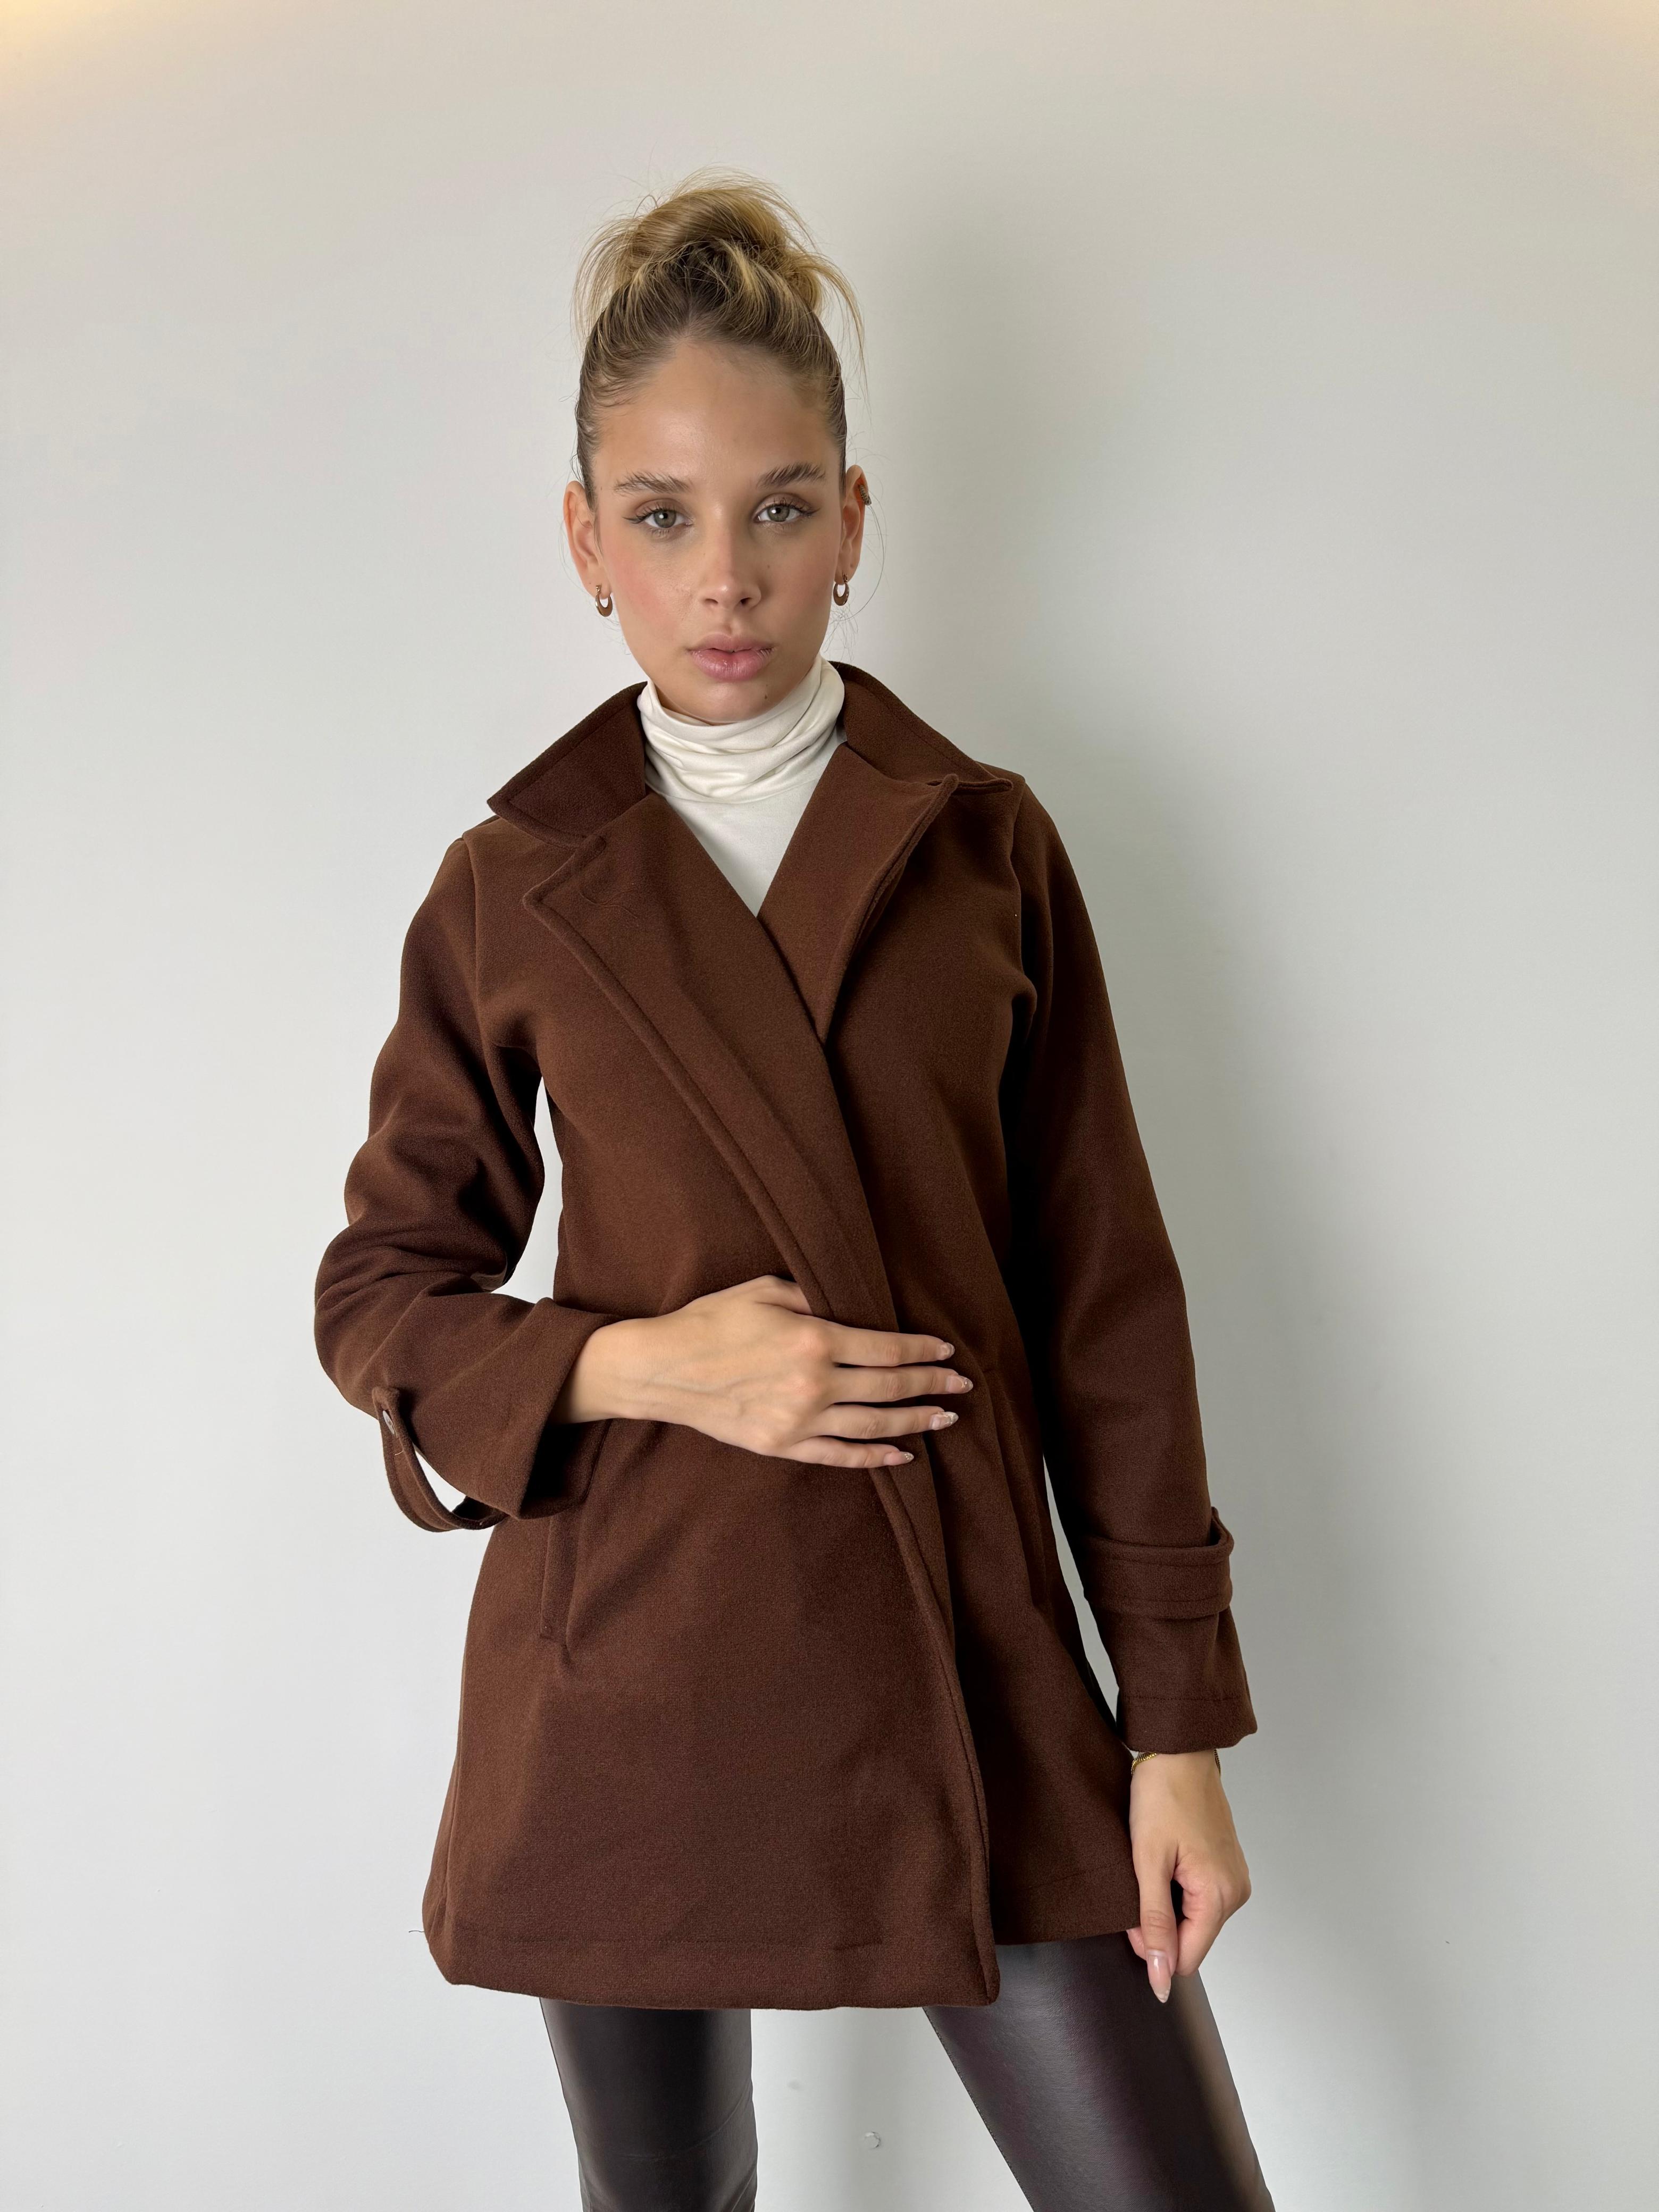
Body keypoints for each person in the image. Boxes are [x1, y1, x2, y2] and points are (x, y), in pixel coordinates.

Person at [315, 169, 1273, 2211]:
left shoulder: (982, 844)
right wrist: (652, 1366)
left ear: (854, 519)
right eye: (662, 516)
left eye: (776, 506)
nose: (726, 576)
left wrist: (1174, 1729)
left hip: (975, 1668)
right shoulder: (515, 884)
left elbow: (1110, 1301)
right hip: (633, 1677)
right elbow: (383, 1291)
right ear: (587, 543)